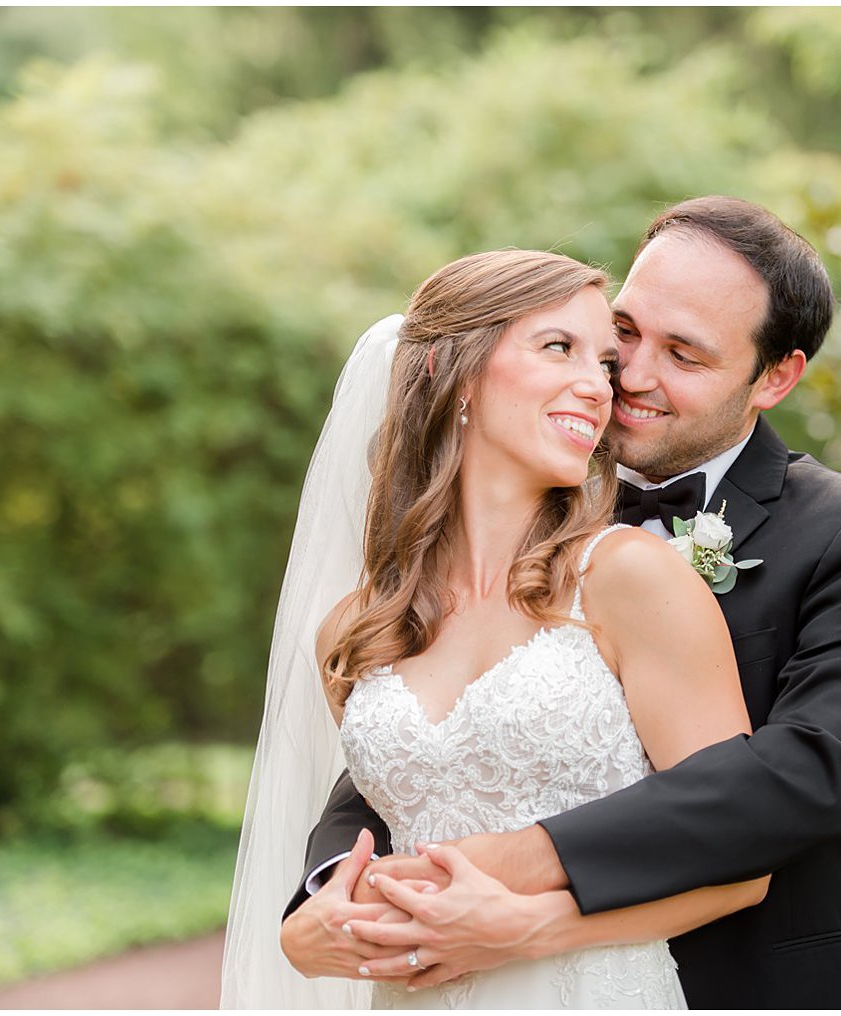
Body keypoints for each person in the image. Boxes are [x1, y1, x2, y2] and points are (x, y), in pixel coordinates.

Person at [281, 197, 841, 1008]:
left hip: (774, 979)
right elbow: (426, 742)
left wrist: (504, 868)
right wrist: (327, 891)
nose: (630, 376)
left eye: (684, 355)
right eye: (624, 335)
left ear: (776, 377)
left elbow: (808, 775)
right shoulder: (539, 518)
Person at [220, 249, 769, 1008]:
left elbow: (743, 859)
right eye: (559, 348)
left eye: (603, 362)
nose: (601, 385)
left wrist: (530, 927)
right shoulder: (357, 630)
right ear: (459, 373)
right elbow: (373, 827)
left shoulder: (628, 577)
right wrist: (314, 924)